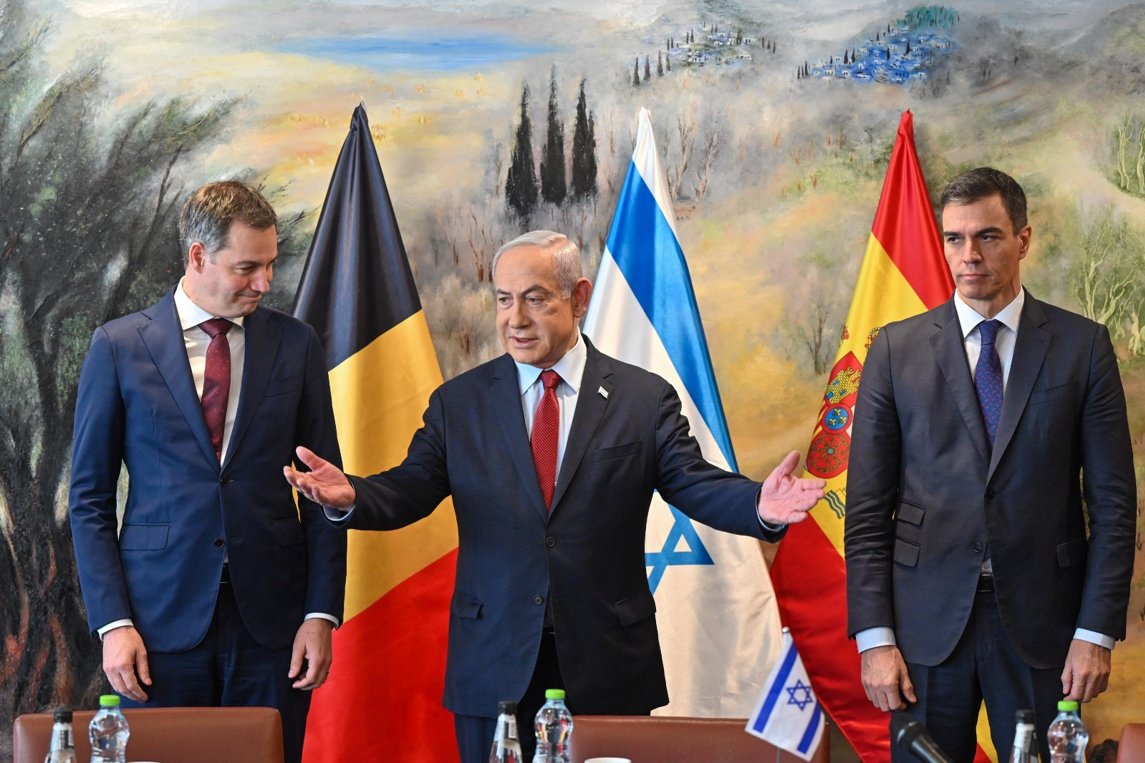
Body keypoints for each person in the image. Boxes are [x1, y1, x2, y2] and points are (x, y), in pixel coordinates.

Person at [284, 229, 826, 762]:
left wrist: (758, 505)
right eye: (503, 300)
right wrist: (350, 495)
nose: (514, 319)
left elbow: (692, 481)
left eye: (535, 299)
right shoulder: (460, 403)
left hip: (606, 658)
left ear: (579, 297)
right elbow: (409, 490)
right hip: (494, 659)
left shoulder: (642, 399)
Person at [844, 167, 1136, 762]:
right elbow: (868, 510)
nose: (969, 255)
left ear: (1023, 240)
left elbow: (1113, 507)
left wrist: (1095, 632)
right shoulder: (895, 351)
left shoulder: (1083, 348)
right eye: (954, 238)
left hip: (1044, 630)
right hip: (922, 633)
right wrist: (874, 639)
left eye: (988, 236)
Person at [69, 180, 346, 763]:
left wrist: (320, 614)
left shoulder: (296, 345)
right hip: (155, 624)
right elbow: (90, 500)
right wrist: (113, 624)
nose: (265, 284)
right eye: (248, 267)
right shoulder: (119, 346)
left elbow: (326, 490)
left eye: (270, 266)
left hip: (274, 626)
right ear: (198, 256)